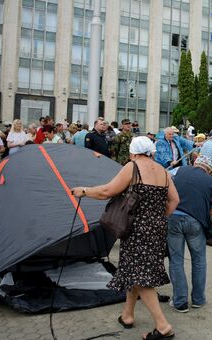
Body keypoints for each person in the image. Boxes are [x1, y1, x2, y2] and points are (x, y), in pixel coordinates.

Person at [71, 136, 179, 340]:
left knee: (140, 275)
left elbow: (107, 191)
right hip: (156, 229)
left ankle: (163, 326)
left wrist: (83, 191)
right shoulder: (164, 172)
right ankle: (127, 315)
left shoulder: (133, 166)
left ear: (133, 152)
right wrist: (157, 216)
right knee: (135, 270)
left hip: (136, 231)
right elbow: (175, 199)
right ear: (151, 152)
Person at [167, 155, 212, 313]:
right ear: (209, 170)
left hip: (173, 219)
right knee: (199, 261)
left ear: (195, 163)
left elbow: (163, 180)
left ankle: (180, 302)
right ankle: (198, 300)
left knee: (176, 261)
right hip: (196, 222)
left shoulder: (178, 170)